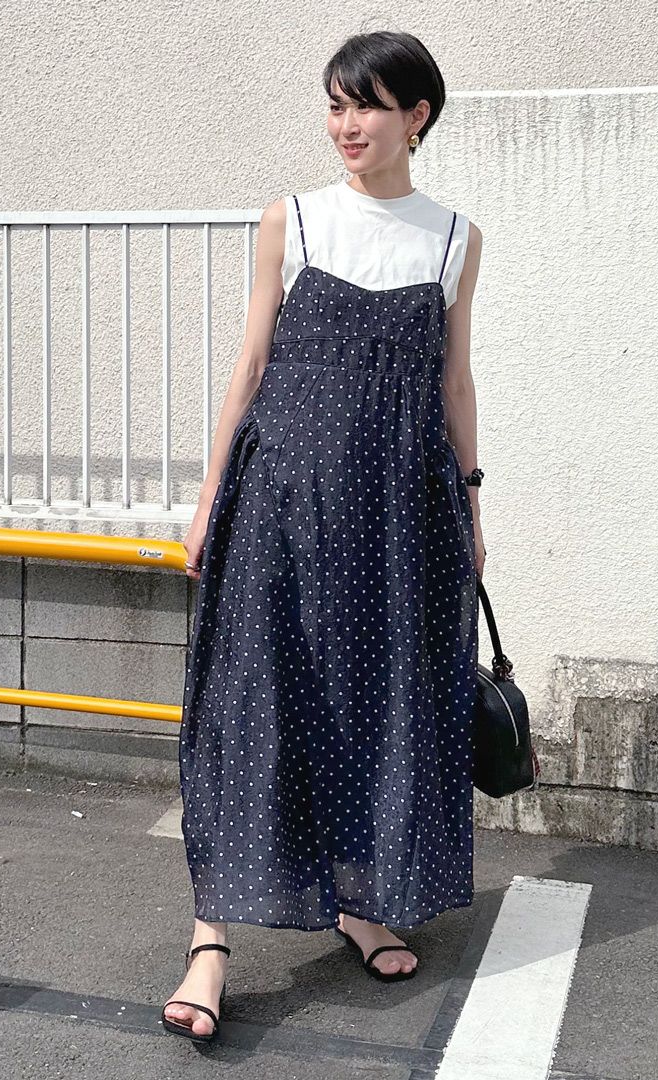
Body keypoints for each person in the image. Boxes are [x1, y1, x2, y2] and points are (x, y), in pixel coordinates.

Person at [162, 29, 486, 1044]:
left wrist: (473, 506)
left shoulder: (453, 238)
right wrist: (211, 494)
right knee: (251, 699)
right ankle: (210, 942)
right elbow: (252, 362)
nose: (346, 124)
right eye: (336, 104)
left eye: (368, 105)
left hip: (401, 510)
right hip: (283, 502)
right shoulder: (293, 219)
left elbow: (454, 380)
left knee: (379, 701)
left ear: (416, 117)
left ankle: (359, 900)